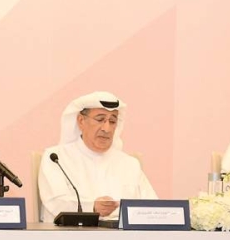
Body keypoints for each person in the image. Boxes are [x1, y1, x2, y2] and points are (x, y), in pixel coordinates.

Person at [38, 91, 156, 223]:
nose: (107, 129)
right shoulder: (56, 158)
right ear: (81, 121)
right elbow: (56, 203)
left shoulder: (130, 164)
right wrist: (92, 207)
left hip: (123, 235)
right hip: (72, 234)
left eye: (112, 121)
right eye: (100, 120)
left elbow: (152, 208)